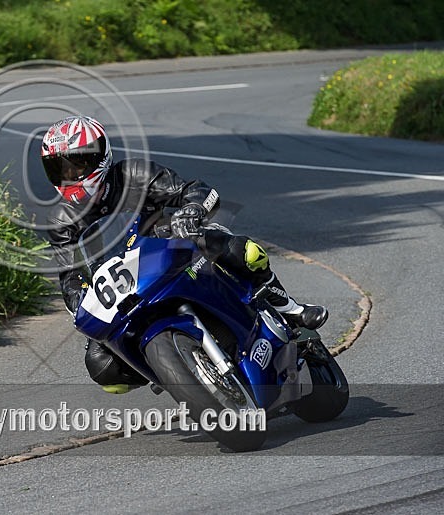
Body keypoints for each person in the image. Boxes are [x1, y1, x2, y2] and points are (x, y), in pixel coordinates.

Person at [42, 115, 328, 393]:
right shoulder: (61, 220)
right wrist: (80, 297)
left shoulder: (133, 174)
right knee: (103, 368)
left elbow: (196, 190)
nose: (70, 176)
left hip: (167, 250)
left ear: (100, 157)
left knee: (245, 251)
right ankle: (172, 372)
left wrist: (191, 211)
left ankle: (289, 309)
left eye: (76, 164)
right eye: (60, 169)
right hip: (122, 289)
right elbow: (70, 275)